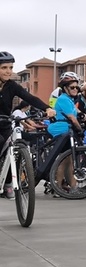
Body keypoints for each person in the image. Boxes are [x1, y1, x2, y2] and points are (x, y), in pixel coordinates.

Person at [0, 52, 55, 197]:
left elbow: (30, 98)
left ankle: (8, 183)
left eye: (10, 67)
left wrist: (47, 108)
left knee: (12, 149)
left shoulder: (12, 86)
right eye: (4, 67)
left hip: (5, 124)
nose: (8, 71)